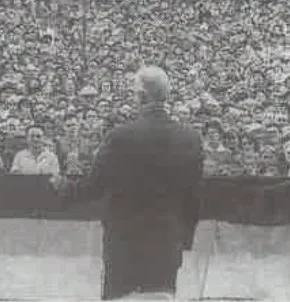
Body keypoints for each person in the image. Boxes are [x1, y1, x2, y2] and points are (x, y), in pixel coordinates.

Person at [50, 66, 204, 300]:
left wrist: (64, 187)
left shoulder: (119, 136)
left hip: (124, 242)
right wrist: (183, 239)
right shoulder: (191, 139)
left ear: (142, 96)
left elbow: (93, 187)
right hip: (166, 240)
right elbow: (194, 198)